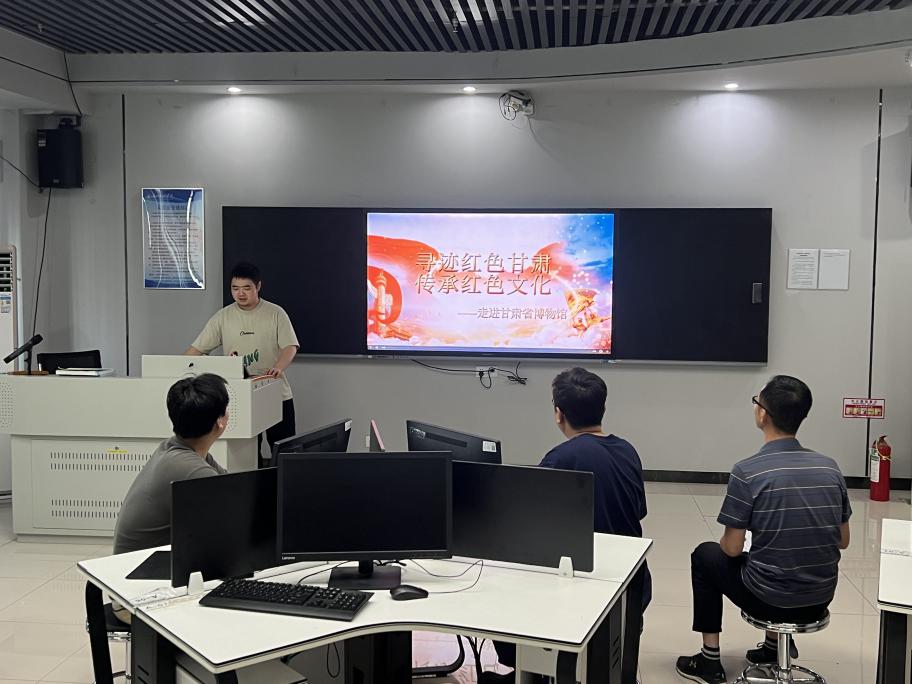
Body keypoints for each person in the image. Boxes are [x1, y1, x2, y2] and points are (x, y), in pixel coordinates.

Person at [675, 375, 851, 684]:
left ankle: (709, 660)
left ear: (762, 414)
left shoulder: (748, 471)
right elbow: (843, 540)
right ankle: (772, 649)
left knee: (705, 556)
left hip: (769, 599)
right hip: (820, 597)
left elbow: (731, 549)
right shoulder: (829, 467)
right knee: (779, 554)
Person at [482, 367, 650, 684]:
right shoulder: (628, 450)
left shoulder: (560, 459)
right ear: (602, 408)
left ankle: (528, 670)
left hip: (587, 591)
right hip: (631, 587)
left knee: (501, 586)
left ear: (559, 414)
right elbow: (637, 513)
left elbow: (525, 526)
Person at [111, 373, 230, 622]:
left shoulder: (181, 449)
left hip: (151, 576)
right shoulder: (187, 466)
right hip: (138, 599)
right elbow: (237, 512)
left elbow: (231, 486)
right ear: (220, 422)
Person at [186, 262, 299, 465]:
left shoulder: (275, 313)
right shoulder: (223, 316)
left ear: (258, 286)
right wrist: (175, 369)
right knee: (247, 454)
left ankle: (282, 486)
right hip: (240, 396)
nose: (240, 294)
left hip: (275, 392)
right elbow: (196, 350)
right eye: (235, 288)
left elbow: (290, 346)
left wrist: (279, 367)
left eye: (246, 288)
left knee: (284, 451)